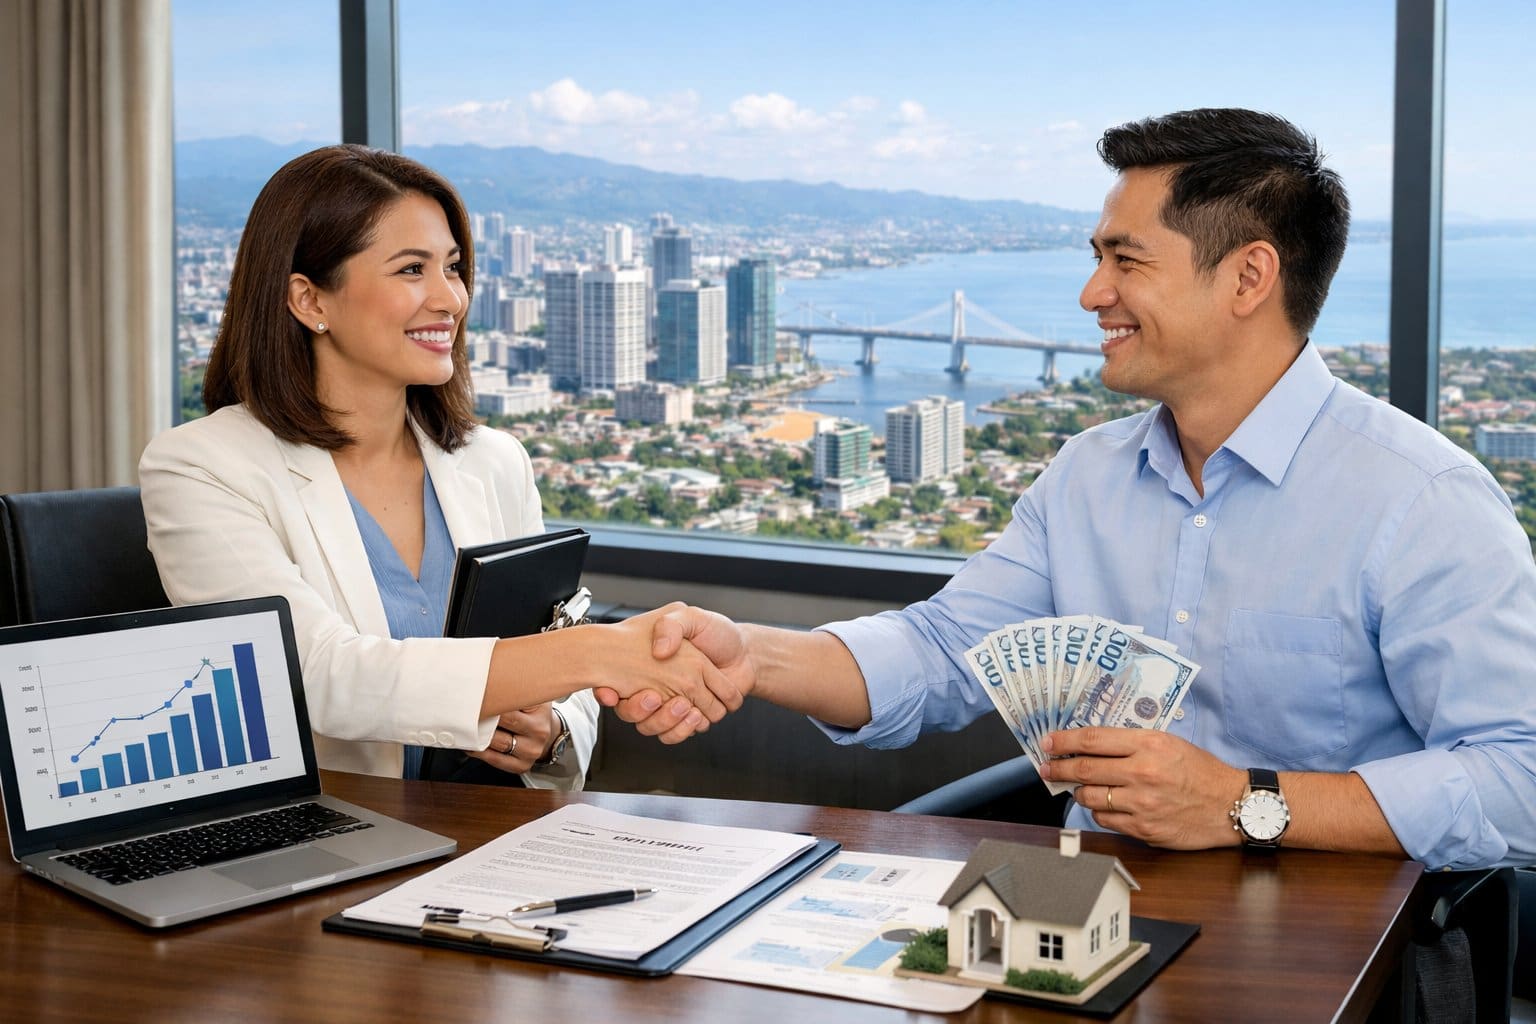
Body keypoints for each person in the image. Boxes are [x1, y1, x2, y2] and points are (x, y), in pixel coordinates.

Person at [606, 108, 1536, 871]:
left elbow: (1520, 781)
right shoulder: (1088, 476)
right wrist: (750, 655)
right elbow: (938, 650)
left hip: (1334, 952)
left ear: (1250, 276)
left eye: (1126, 260)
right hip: (1092, 923)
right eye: (1097, 256)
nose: (1093, 294)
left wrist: (1245, 803)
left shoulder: (1421, 501)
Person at [141, 145, 738, 784]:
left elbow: (562, 697)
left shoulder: (495, 462)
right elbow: (316, 676)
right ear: (309, 300)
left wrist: (554, 735)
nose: (449, 298)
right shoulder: (200, 468)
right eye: (411, 270)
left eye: (453, 267)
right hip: (328, 850)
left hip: (488, 844)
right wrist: (594, 652)